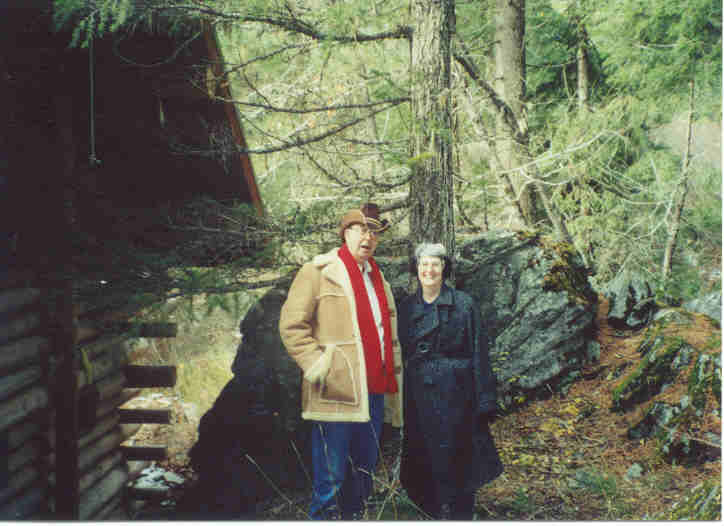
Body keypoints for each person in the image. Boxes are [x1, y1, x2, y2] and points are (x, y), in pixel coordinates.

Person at [279, 203, 403, 520]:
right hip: (334, 390)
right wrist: (319, 366)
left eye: (374, 232)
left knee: (363, 473)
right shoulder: (318, 271)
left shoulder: (378, 278)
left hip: (373, 390)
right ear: (345, 233)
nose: (368, 238)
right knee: (330, 479)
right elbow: (292, 326)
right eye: (361, 229)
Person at [399, 242, 503, 520]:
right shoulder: (406, 308)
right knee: (422, 459)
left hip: (458, 397)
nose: (429, 270)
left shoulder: (464, 304)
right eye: (424, 264)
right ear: (416, 269)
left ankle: (460, 515)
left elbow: (480, 352)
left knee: (461, 460)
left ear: (444, 267)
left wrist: (485, 399)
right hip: (419, 398)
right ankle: (430, 512)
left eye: (435, 264)